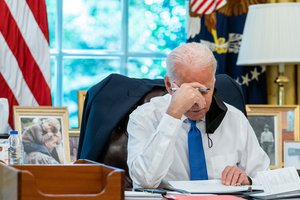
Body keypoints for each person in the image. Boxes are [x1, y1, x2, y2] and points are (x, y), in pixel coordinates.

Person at [127, 42, 270, 189]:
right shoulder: (144, 117)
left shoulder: (235, 119)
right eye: (188, 92)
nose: (198, 102)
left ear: (214, 83)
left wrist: (247, 179)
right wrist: (173, 115)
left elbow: (263, 176)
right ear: (169, 85)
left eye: (204, 91)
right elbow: (144, 182)